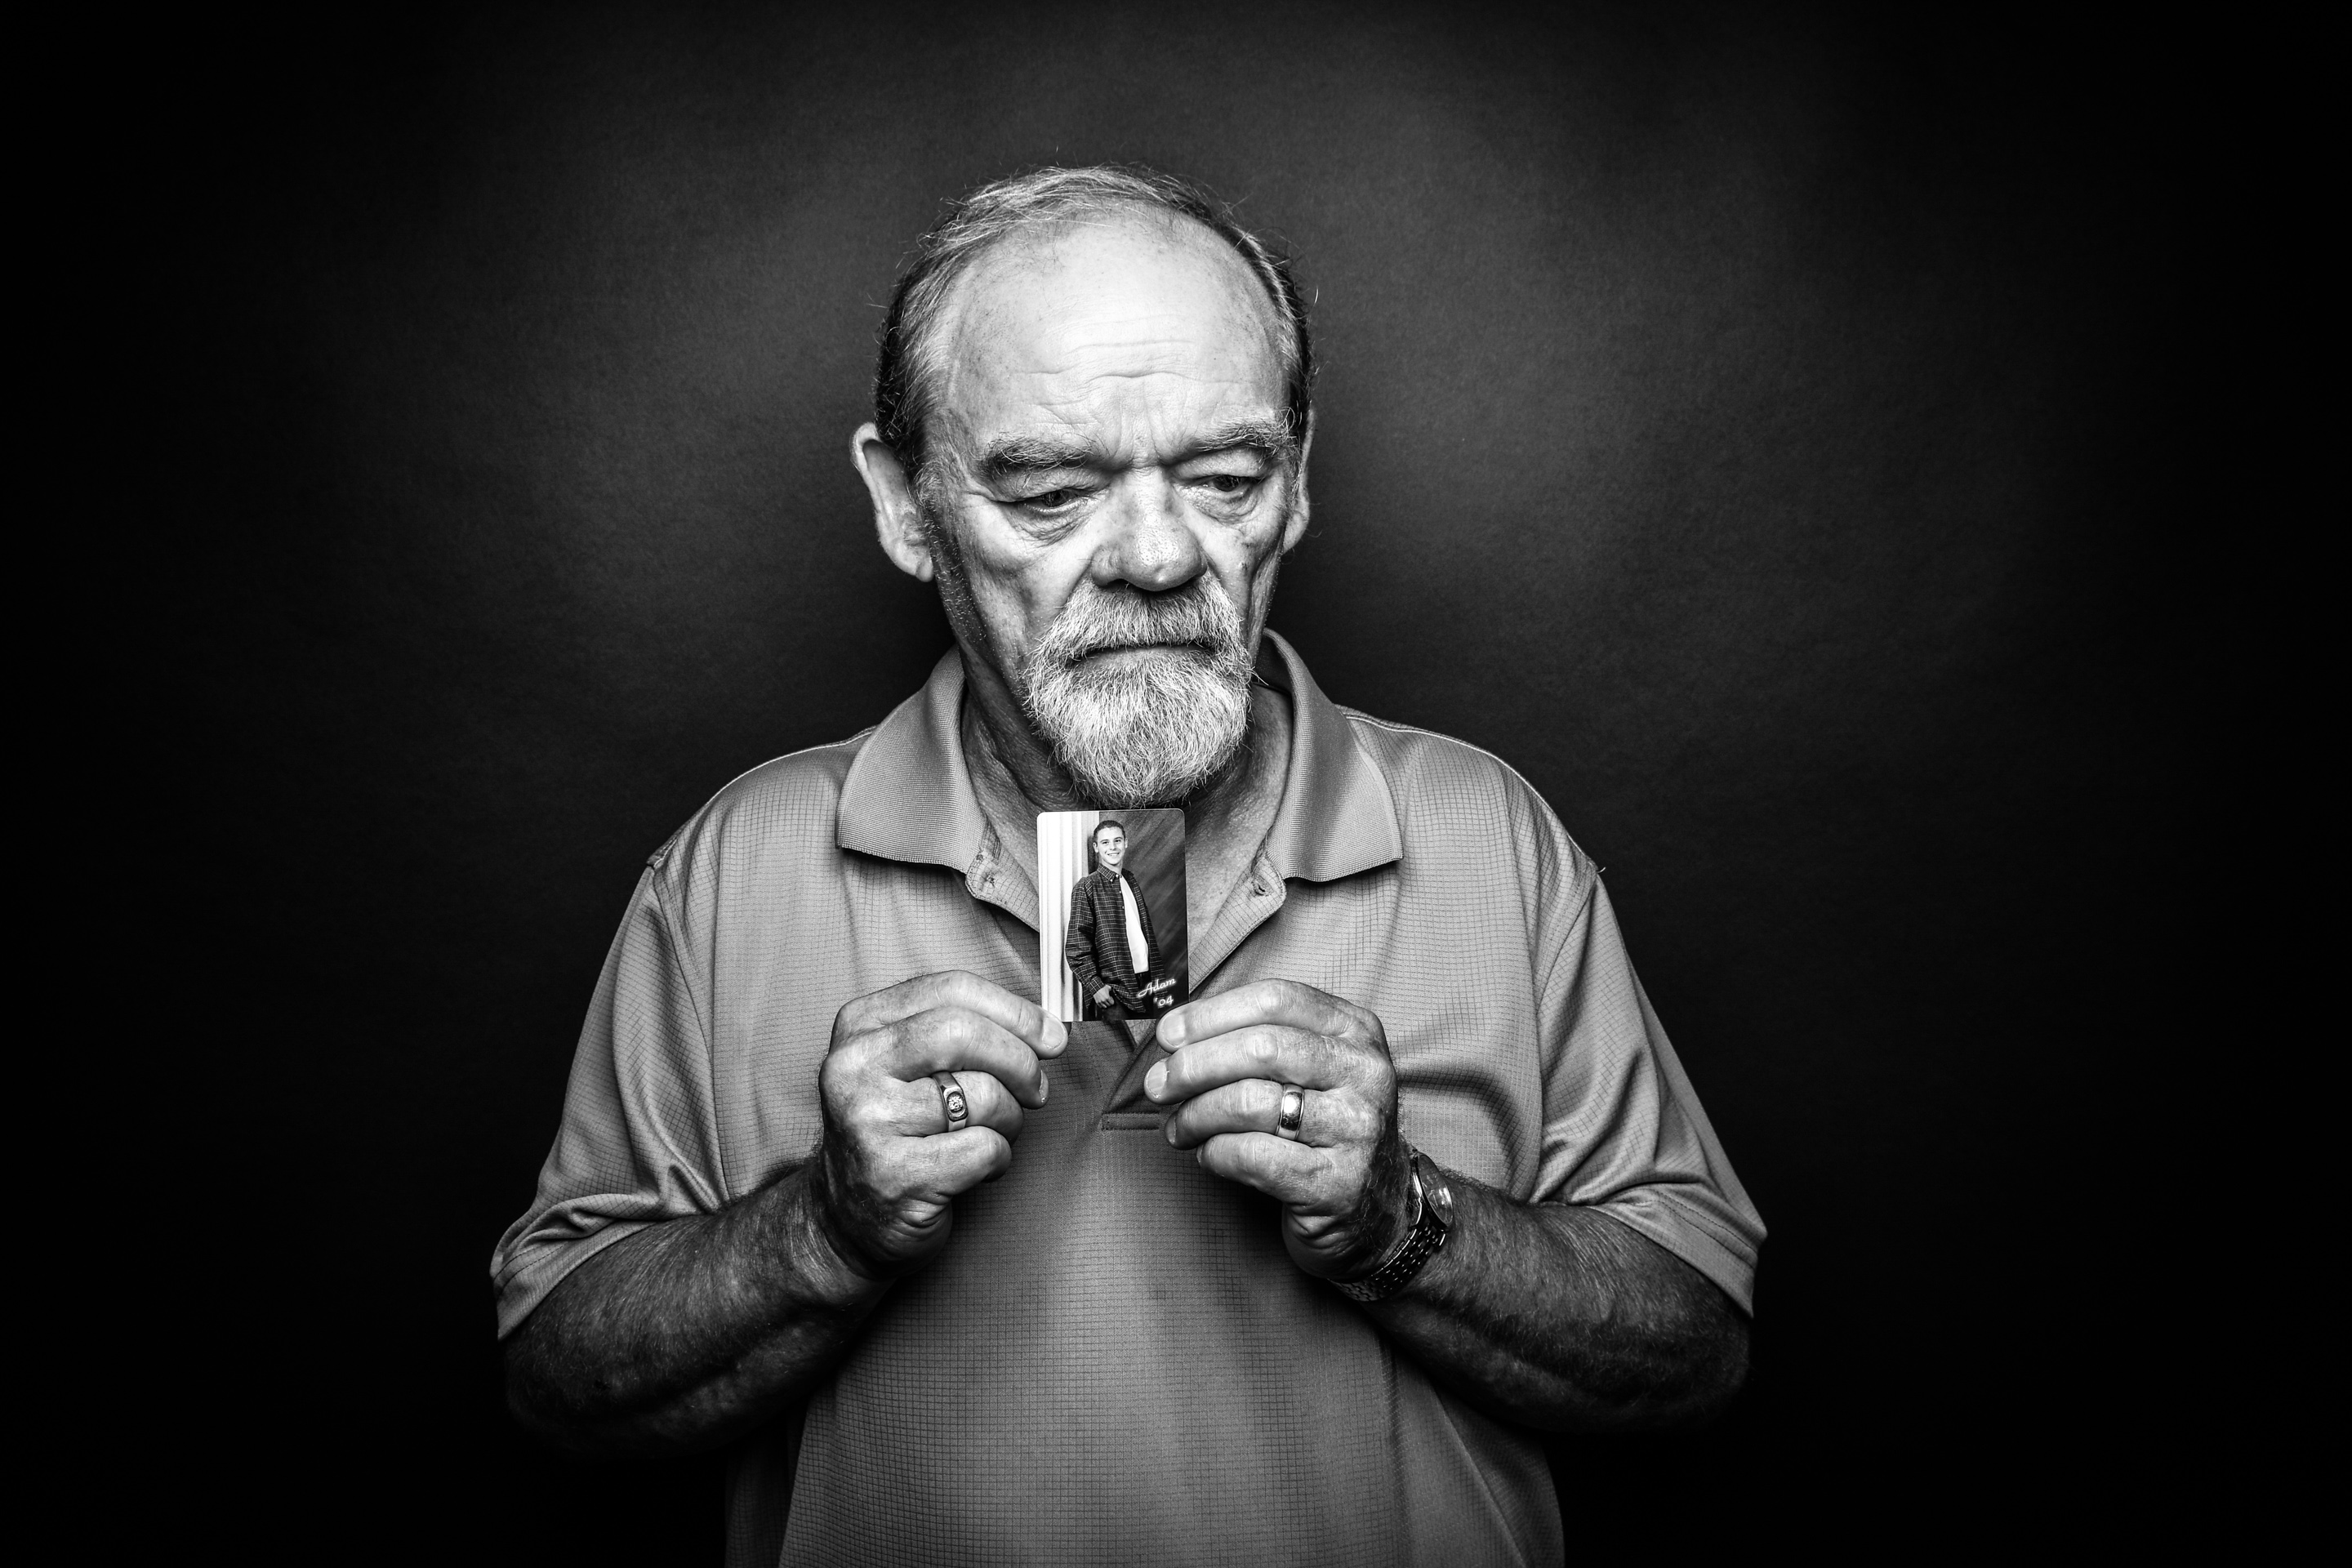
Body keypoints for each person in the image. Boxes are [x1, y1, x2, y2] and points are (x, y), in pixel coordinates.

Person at [493, 165, 1766, 1567]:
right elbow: (557, 1381)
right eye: (1049, 489)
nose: (1160, 556)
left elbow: (1694, 1350)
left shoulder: (1487, 836)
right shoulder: (735, 871)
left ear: (1295, 484)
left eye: (1226, 477)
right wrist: (823, 1232)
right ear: (906, 504)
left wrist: (1407, 1223)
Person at [1064, 817, 1165, 1021]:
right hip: (1113, 991)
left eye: (1117, 841)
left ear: (1126, 843)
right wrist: (1096, 987)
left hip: (1147, 983)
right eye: (1105, 842)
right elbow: (1076, 946)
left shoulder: (1131, 880)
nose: (1113, 847)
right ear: (1096, 848)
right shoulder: (1086, 887)